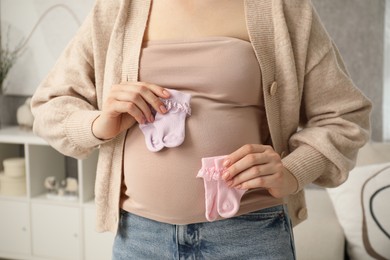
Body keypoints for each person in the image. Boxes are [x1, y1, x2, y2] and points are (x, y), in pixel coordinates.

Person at [31, 0, 371, 259]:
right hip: (141, 239)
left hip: (249, 237)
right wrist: (99, 123)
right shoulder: (117, 11)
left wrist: (292, 171)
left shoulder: (281, 9)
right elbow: (49, 105)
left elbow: (346, 116)